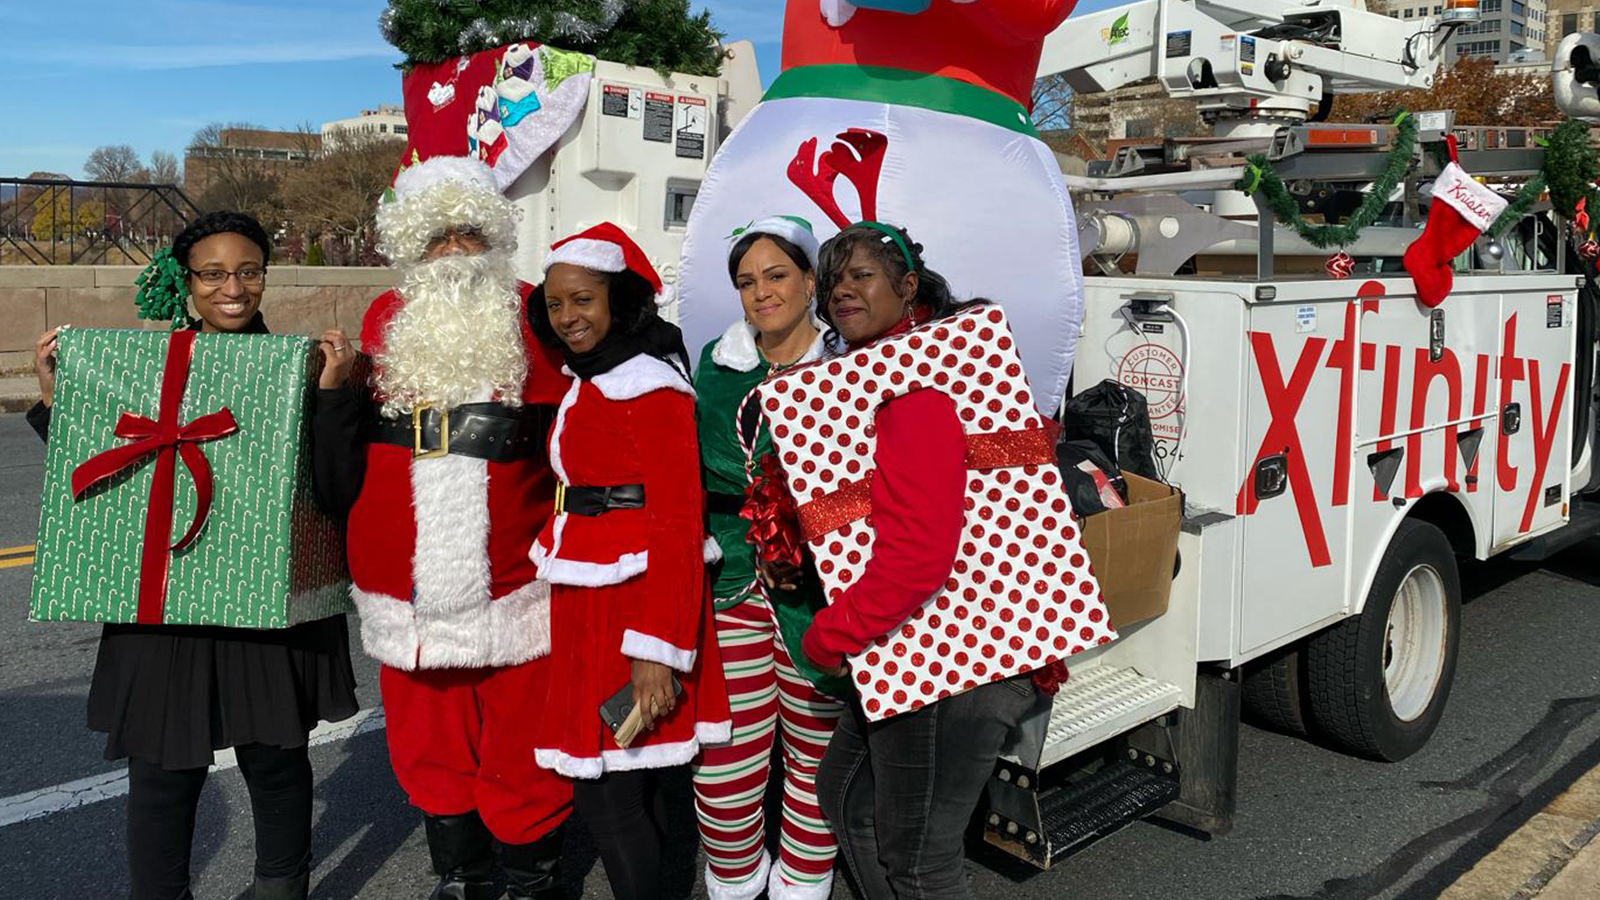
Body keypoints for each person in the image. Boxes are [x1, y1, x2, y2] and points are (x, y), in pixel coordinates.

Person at [28, 211, 359, 900]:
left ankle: (281, 890)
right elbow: (100, 481)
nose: (231, 288)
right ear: (186, 281)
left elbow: (336, 492)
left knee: (274, 763)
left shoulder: (301, 367)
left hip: (265, 604)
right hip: (166, 605)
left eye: (247, 271)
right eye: (212, 273)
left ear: (264, 277)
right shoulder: (142, 372)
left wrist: (331, 397)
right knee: (160, 774)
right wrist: (58, 394)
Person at [313, 156, 571, 900]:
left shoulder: (535, 314)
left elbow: (577, 437)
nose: (455, 250)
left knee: (524, 749)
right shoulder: (384, 320)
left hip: (517, 580)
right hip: (406, 586)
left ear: (493, 237)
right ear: (409, 248)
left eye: (469, 232)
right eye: (437, 236)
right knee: (428, 744)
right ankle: (462, 873)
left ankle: (530, 881)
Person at [804, 223, 1043, 900]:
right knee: (847, 798)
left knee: (919, 859)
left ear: (908, 287)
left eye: (861, 276)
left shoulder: (912, 393)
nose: (840, 291)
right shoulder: (900, 371)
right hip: (908, 650)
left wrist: (829, 636)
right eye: (831, 281)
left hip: (954, 657)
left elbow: (916, 559)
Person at [525, 222, 731, 900]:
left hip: (634, 610)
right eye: (556, 304)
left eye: (582, 300)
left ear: (618, 300)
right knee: (633, 788)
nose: (568, 316)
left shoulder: (648, 384)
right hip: (595, 606)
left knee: (610, 798)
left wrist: (658, 651)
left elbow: (677, 522)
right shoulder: (595, 375)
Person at [689, 216, 846, 900]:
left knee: (815, 753)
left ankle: (805, 881)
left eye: (777, 275)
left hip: (821, 593)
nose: (761, 293)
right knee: (724, 759)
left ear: (810, 280)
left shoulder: (850, 366)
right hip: (729, 583)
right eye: (747, 281)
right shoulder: (714, 367)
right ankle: (734, 879)